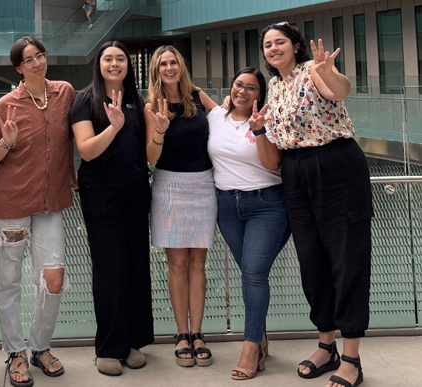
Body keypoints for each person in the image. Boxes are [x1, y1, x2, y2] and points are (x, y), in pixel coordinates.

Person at [260, 22, 372, 387]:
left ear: (295, 46)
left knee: (347, 258)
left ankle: (352, 357)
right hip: (294, 173)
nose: (273, 48)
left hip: (335, 164)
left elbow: (339, 92)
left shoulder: (313, 70)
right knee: (311, 260)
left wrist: (328, 72)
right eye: (267, 45)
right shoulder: (275, 87)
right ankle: (327, 345)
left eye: (279, 42)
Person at [0, 36, 76, 387]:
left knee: (53, 279)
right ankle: (14, 353)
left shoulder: (65, 93)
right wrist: (6, 141)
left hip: (51, 202)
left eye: (40, 55)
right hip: (10, 202)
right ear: (18, 68)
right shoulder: (5, 105)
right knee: (8, 281)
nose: (37, 63)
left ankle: (39, 346)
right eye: (29, 59)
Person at [70, 40, 152, 377]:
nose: (115, 64)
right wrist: (113, 126)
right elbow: (87, 150)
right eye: (108, 59)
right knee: (110, 268)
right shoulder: (84, 100)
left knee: (136, 264)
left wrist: (158, 132)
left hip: (135, 191)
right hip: (100, 193)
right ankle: (108, 346)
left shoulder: (136, 99)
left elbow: (145, 151)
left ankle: (133, 341)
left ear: (128, 65)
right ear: (99, 64)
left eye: (121, 59)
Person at [207, 67, 291, 380]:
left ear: (261, 94)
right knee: (250, 274)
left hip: (267, 205)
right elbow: (191, 93)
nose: (243, 91)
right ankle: (262, 338)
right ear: (230, 88)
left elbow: (273, 165)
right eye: (239, 85)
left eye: (251, 88)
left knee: (254, 273)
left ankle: (250, 347)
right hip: (227, 206)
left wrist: (258, 131)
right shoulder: (215, 116)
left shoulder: (268, 120)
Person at [144, 45, 217, 368]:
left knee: (198, 262)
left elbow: (226, 121)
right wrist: (159, 130)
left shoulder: (198, 96)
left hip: (203, 185)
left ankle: (198, 333)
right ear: (156, 71)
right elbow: (151, 157)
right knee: (176, 263)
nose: (170, 68)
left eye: (173, 62)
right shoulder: (151, 107)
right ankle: (181, 333)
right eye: (163, 64)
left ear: (181, 66)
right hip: (169, 186)